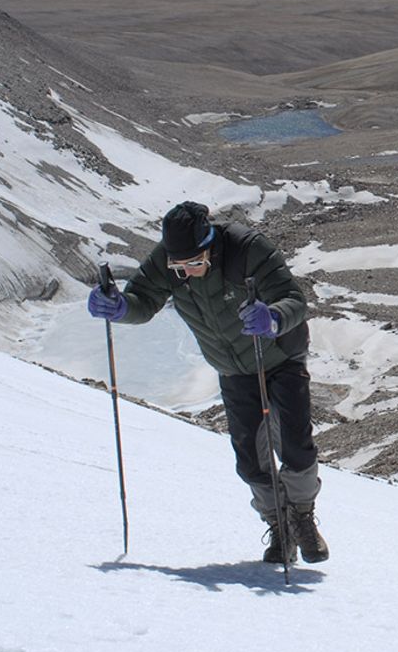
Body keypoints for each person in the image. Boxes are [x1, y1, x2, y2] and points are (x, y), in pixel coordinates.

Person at [87, 201, 328, 565]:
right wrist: (119, 308)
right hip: (232, 368)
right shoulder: (169, 259)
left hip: (279, 357)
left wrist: (274, 318)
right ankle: (279, 525)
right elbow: (143, 300)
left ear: (210, 245)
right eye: (178, 267)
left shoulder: (247, 248)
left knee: (296, 448)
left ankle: (302, 517)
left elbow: (293, 299)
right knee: (249, 461)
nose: (186, 272)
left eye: (195, 264)